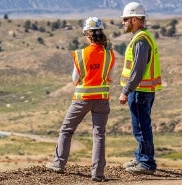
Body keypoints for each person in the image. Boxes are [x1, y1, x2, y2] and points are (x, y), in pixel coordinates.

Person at [45, 17, 115, 182]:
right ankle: (98, 174)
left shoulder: (81, 54)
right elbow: (109, 77)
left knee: (66, 130)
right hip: (102, 99)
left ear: (88, 35)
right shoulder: (109, 55)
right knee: (99, 135)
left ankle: (58, 164)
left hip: (82, 98)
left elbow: (75, 78)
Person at [118, 2, 162, 174]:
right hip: (143, 91)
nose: (123, 22)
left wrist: (125, 91)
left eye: (126, 19)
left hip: (139, 92)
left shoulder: (141, 40)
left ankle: (146, 163)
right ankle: (140, 157)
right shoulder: (144, 36)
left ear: (135, 19)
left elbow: (137, 70)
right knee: (141, 127)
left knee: (141, 129)